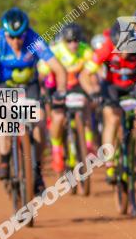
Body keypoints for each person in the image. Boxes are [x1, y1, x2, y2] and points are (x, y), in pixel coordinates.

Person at [0, 8, 68, 190]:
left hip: (29, 86)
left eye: (19, 37)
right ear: (5, 34)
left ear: (26, 33)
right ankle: (4, 160)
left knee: (40, 123)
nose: (15, 41)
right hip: (4, 86)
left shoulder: (34, 40)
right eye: (11, 37)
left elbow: (59, 69)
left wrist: (60, 92)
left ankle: (37, 170)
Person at [79, 20, 136, 183]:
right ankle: (110, 164)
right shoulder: (105, 49)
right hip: (112, 85)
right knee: (112, 117)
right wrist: (92, 92)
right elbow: (85, 75)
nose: (124, 54)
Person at [39, 23, 99, 173]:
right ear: (63, 41)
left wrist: (95, 89)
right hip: (57, 86)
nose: (73, 44)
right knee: (58, 118)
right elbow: (43, 69)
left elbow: (93, 71)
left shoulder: (85, 50)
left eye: (76, 41)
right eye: (69, 41)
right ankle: (56, 148)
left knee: (86, 106)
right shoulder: (55, 50)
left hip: (77, 85)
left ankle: (88, 144)